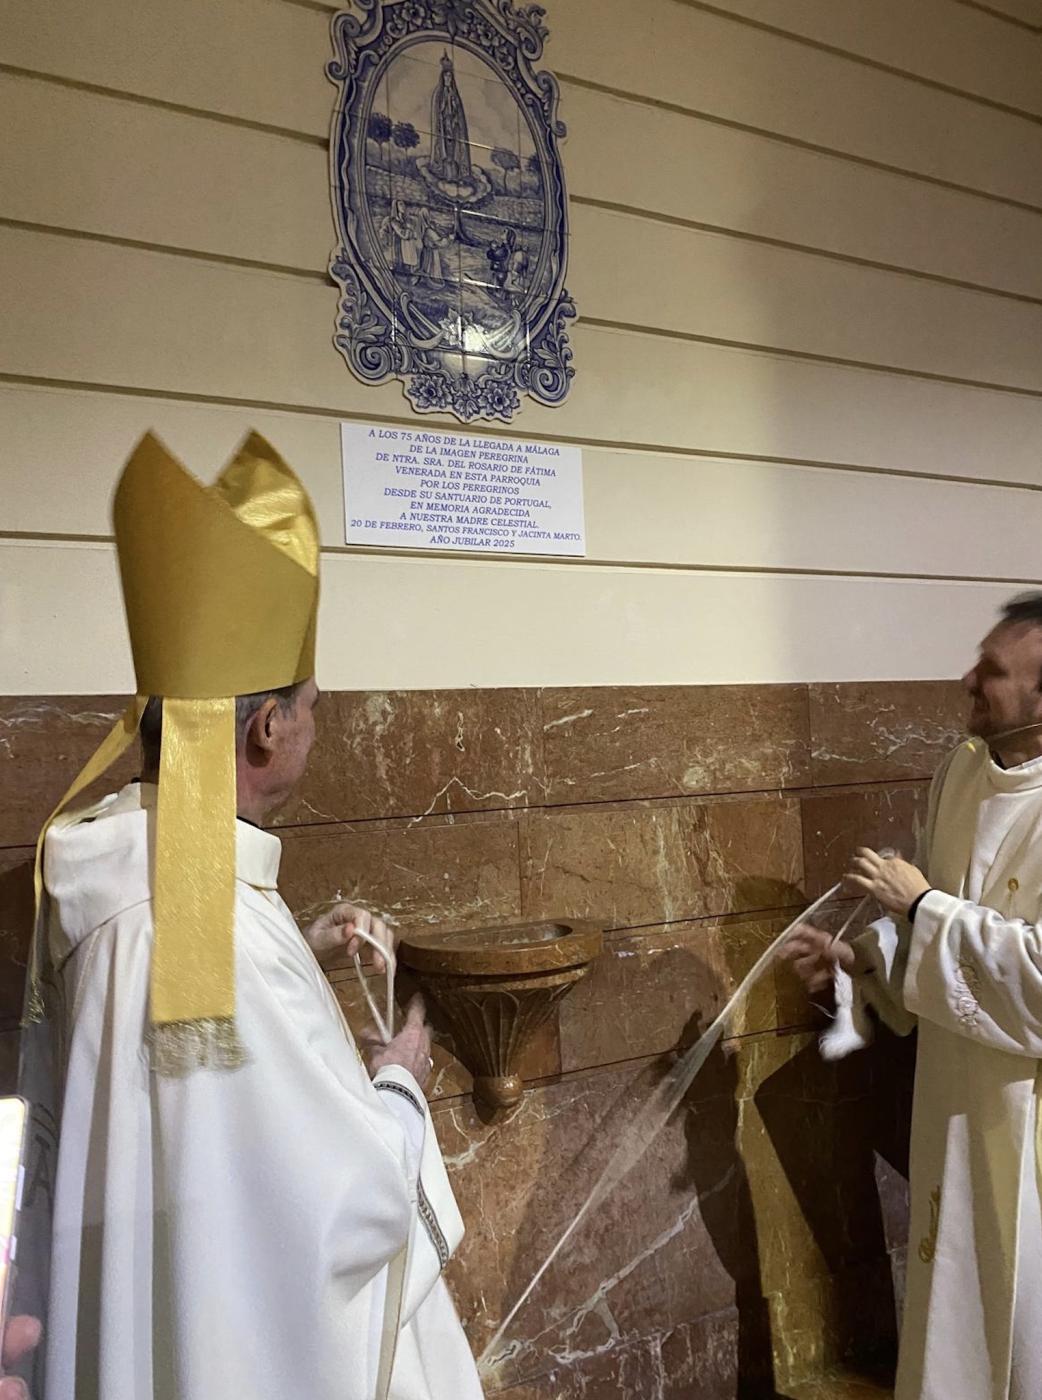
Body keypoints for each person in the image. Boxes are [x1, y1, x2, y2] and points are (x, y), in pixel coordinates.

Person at [30, 432, 483, 1399]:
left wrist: (300, 945)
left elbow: (194, 1099)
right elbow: (332, 1207)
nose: (315, 721)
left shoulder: (123, 868)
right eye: (310, 705)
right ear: (268, 728)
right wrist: (400, 1083)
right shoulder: (209, 928)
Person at [785, 591, 1042, 1400]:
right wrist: (862, 962)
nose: (968, 680)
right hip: (953, 1098)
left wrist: (925, 908)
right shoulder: (962, 771)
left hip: (1029, 1121)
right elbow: (930, 922)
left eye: (992, 671)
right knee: (959, 1301)